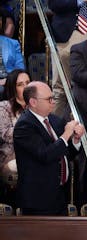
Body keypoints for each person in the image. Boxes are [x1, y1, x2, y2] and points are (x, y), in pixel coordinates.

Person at [13, 81, 85, 215]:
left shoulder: (54, 120)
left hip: (59, 195)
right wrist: (66, 134)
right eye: (49, 99)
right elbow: (45, 155)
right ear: (33, 102)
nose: (53, 102)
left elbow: (64, 153)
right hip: (38, 200)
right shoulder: (24, 126)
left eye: (53, 98)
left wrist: (75, 140)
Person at [48, 0, 87, 118]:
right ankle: (55, 129)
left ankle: (84, 130)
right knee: (60, 87)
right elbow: (53, 4)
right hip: (65, 35)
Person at [0, 69, 30, 208]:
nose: (26, 87)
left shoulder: (37, 106)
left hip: (34, 153)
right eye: (20, 84)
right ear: (13, 88)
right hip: (11, 155)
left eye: (28, 83)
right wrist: (30, 130)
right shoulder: (4, 107)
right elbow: (6, 133)